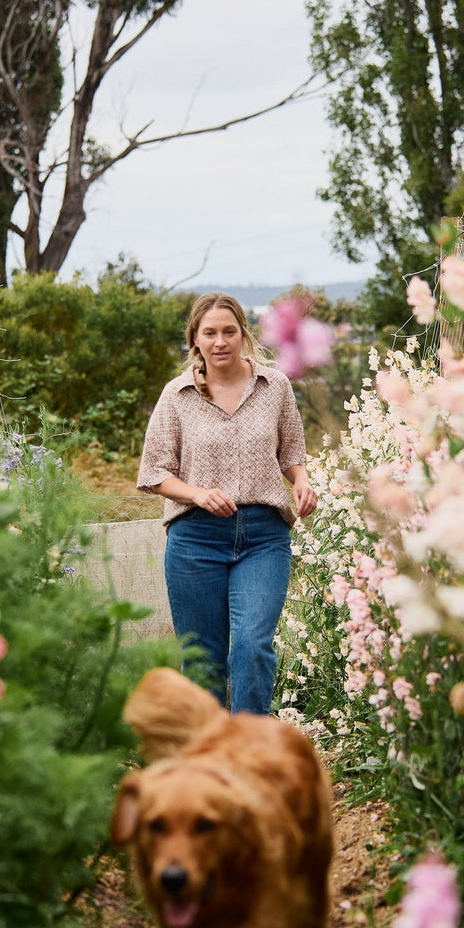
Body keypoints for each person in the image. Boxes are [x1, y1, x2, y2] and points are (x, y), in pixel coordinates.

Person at [137, 292, 317, 715]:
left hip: (262, 536)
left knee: (252, 647)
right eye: (210, 333)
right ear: (195, 339)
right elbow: (154, 472)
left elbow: (291, 453)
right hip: (195, 540)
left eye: (229, 332)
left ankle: (249, 753)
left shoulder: (275, 387)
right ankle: (210, 761)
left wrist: (302, 482)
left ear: (243, 335)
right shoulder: (176, 396)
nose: (220, 341)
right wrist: (197, 493)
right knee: (203, 662)